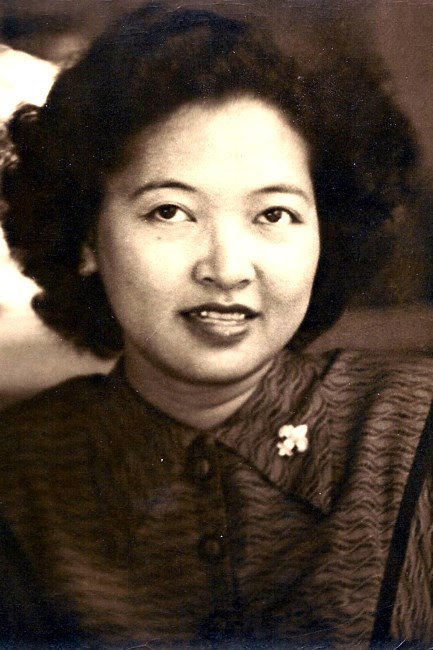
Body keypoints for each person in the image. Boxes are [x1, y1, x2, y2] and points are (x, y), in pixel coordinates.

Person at [0, 3, 432, 647]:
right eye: (170, 212)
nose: (227, 269)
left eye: (274, 215)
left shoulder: (416, 433)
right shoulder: (17, 476)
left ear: (327, 233)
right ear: (86, 236)